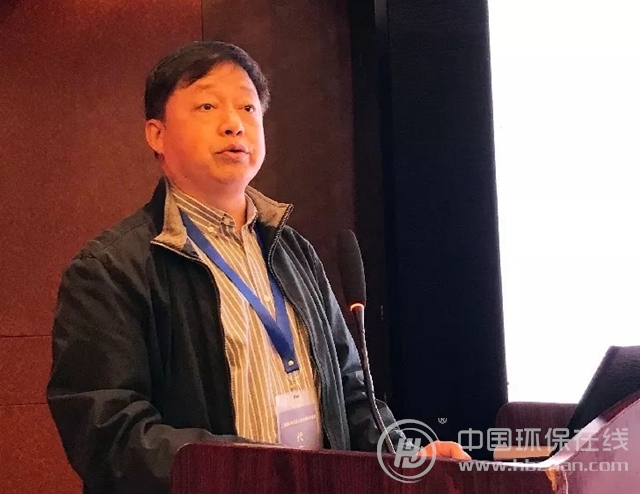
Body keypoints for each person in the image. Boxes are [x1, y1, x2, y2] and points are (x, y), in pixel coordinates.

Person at [46, 40, 469, 494]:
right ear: (157, 135)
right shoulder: (109, 270)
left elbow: (349, 391)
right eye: (207, 106)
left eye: (248, 108)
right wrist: (251, 473)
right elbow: (109, 434)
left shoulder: (294, 251)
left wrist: (402, 455)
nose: (234, 124)